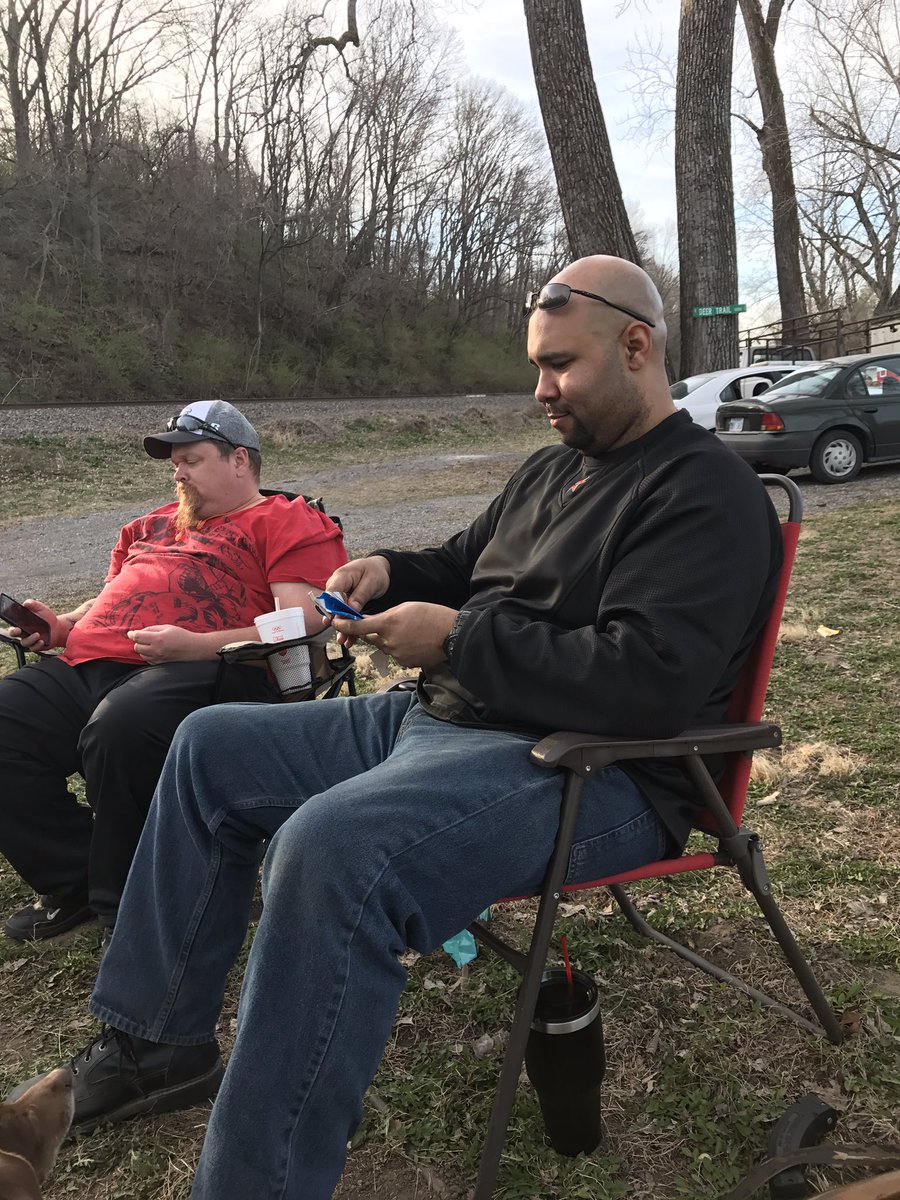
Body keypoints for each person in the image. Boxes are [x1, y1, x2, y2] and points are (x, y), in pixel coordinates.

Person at [10, 256, 783, 1198]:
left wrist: (458, 639)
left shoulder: (707, 493)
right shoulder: (553, 472)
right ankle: (154, 1044)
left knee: (333, 846)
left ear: (636, 346)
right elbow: (462, 562)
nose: (541, 390)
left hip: (600, 770)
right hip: (446, 722)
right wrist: (385, 569)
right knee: (207, 744)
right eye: (535, 367)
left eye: (560, 366)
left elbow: (646, 683)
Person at [0, 400, 346, 941]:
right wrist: (63, 626)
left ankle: (129, 906)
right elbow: (115, 599)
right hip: (93, 662)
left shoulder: (288, 519)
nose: (178, 471)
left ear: (239, 460)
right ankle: (76, 876)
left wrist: (200, 647)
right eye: (173, 462)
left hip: (213, 669)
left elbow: (302, 620)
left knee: (120, 726)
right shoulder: (150, 525)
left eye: (192, 458)